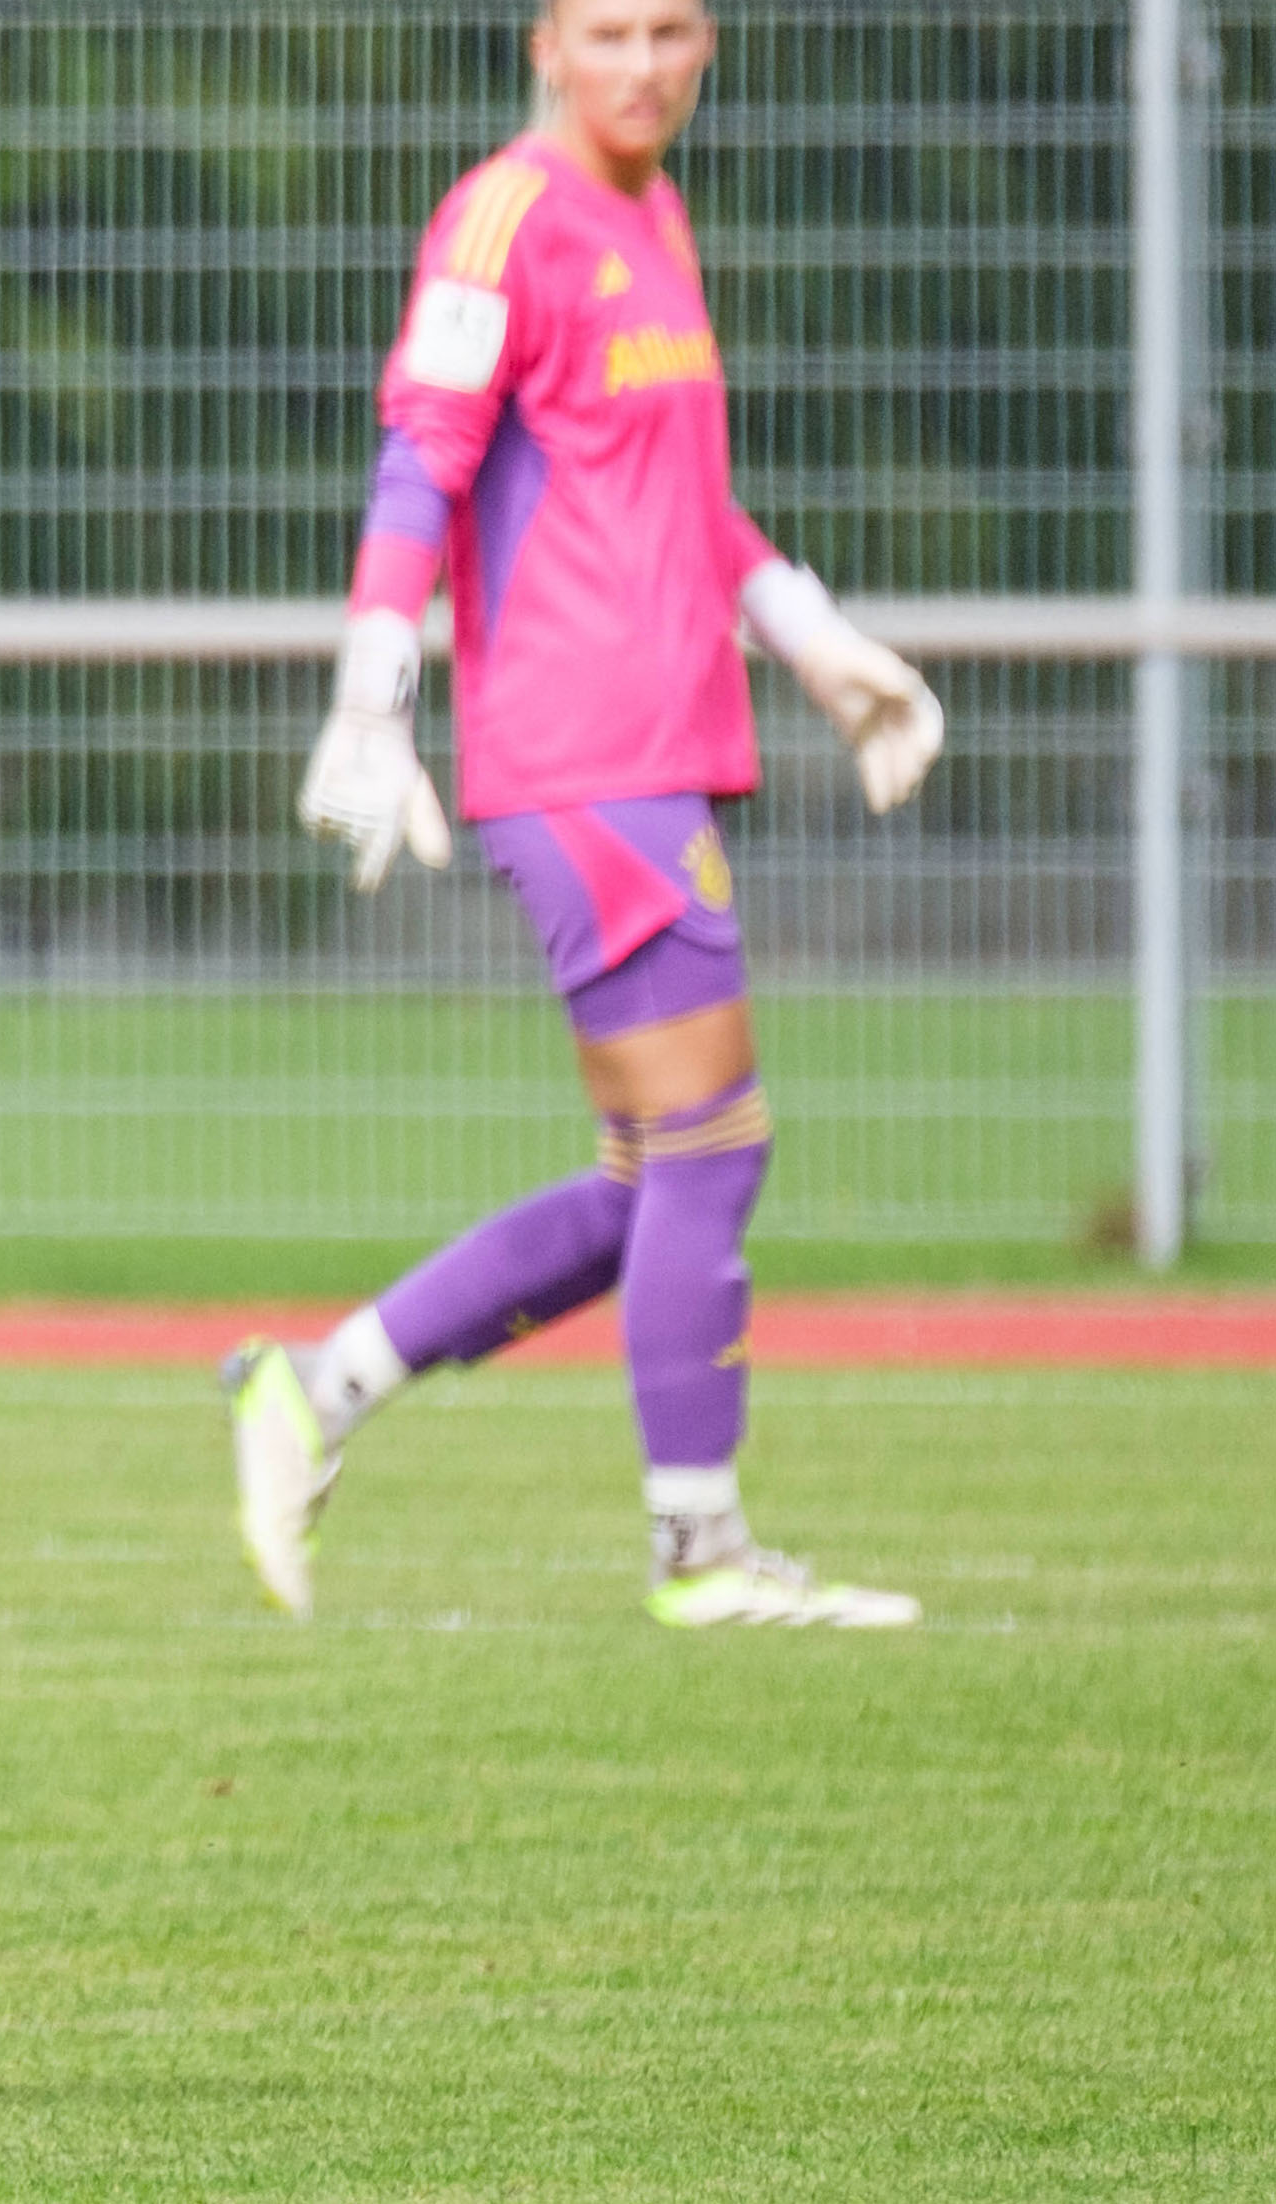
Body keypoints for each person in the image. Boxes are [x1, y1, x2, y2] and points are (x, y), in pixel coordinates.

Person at [225, 0, 942, 1630]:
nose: (641, 65)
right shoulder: (507, 217)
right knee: (714, 1146)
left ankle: (314, 1393)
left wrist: (819, 645)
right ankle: (700, 1552)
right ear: (547, 41)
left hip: (657, 744)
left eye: (672, 29)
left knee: (649, 1175)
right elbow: (424, 462)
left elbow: (678, 499)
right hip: (583, 752)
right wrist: (368, 697)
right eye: (608, 31)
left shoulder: (652, 211)